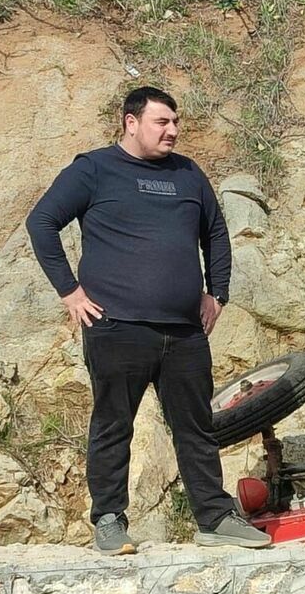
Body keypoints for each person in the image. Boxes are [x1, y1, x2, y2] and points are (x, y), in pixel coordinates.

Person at [26, 86, 271, 555]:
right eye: (162, 122)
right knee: (114, 425)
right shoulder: (94, 169)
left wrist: (217, 293)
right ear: (131, 122)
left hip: (184, 331)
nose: (173, 130)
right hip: (117, 326)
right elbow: (42, 223)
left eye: (175, 122)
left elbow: (216, 234)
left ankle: (215, 518)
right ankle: (109, 521)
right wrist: (70, 292)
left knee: (197, 426)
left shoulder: (188, 174)